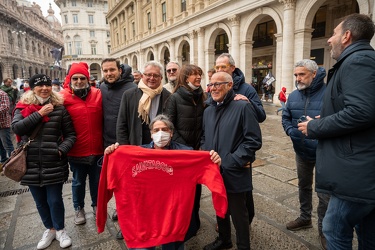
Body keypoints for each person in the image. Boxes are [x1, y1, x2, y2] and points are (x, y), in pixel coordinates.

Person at [298, 14, 375, 249]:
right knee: (367, 233)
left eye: (333, 33)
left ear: (347, 36)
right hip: (359, 169)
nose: (329, 40)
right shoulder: (360, 60)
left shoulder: (357, 61)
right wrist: (330, 117)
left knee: (334, 229)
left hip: (354, 173)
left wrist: (315, 127)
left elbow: (362, 111)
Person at [99, 114, 224, 250]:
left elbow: (211, 175)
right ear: (151, 134)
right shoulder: (136, 154)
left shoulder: (186, 154)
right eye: (156, 130)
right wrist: (110, 156)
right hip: (142, 220)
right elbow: (108, 177)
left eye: (165, 130)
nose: (160, 133)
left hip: (173, 220)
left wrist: (214, 162)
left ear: (171, 133)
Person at [11, 74, 76, 250]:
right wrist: (39, 114)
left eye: (47, 85)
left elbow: (71, 135)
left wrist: (61, 150)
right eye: (40, 86)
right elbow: (17, 128)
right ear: (33, 88)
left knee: (54, 200)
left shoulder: (59, 109)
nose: (45, 88)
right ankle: (50, 229)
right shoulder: (22, 107)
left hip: (53, 162)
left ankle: (61, 230)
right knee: (39, 201)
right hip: (29, 164)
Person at [202, 72, 262, 250]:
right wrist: (207, 155)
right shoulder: (208, 111)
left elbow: (253, 140)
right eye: (211, 85)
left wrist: (231, 160)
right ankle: (224, 240)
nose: (214, 88)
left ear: (230, 85)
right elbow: (204, 137)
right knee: (220, 207)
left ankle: (244, 245)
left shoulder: (243, 107)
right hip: (215, 171)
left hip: (235, 169)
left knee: (239, 214)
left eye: (218, 84)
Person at [282, 59, 330, 249]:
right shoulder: (293, 96)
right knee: (304, 185)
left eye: (302, 74)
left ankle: (324, 229)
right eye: (295, 75)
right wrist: (290, 131)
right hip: (301, 150)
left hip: (324, 151)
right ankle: (304, 217)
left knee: (325, 191)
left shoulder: (329, 92)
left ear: (314, 74)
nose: (298, 78)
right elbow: (286, 117)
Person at [215, 52, 265, 228]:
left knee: (244, 190)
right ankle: (224, 219)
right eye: (217, 67)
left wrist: (248, 103)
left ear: (232, 68)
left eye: (224, 66)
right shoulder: (215, 86)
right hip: (222, 147)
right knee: (223, 187)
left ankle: (246, 219)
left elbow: (262, 116)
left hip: (241, 148)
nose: (220, 69)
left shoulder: (247, 89)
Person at [163, 64, 207, 241]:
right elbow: (169, 126)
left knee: (196, 190)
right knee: (182, 193)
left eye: (200, 74)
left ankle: (194, 222)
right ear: (185, 77)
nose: (198, 77)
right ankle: (181, 225)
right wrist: (187, 150)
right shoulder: (174, 98)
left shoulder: (202, 96)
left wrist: (201, 145)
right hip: (182, 154)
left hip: (198, 154)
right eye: (194, 74)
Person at [60, 62, 103, 225]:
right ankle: (78, 208)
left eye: (82, 78)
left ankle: (97, 206)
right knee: (78, 182)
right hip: (76, 150)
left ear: (87, 78)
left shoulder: (98, 94)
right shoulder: (62, 97)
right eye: (75, 78)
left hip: (97, 148)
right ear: (70, 79)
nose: (78, 81)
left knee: (96, 181)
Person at [100, 58, 137, 238]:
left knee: (129, 189)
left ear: (120, 70)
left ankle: (127, 223)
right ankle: (120, 212)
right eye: (105, 71)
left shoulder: (132, 89)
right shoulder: (101, 88)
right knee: (116, 186)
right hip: (108, 147)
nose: (108, 74)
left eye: (111, 70)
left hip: (127, 147)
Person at [0, 88, 14, 165]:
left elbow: (6, 107)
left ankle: (12, 162)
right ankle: (3, 161)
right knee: (0, 145)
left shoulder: (2, 94)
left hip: (3, 124)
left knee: (7, 144)